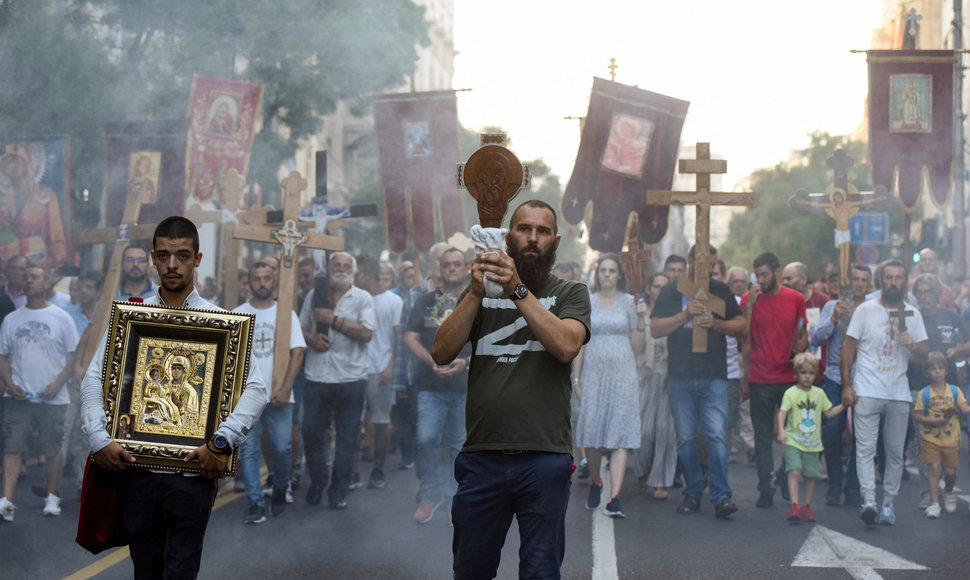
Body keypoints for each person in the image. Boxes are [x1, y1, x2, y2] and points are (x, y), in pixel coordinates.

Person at [79, 216, 268, 578]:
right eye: (164, 255)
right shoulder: (134, 317)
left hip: (193, 473)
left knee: (180, 571)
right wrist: (99, 438)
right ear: (152, 257)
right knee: (146, 570)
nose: (171, 265)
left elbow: (256, 388)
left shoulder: (220, 322)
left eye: (182, 256)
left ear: (197, 259)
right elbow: (94, 380)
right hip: (137, 469)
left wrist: (221, 442)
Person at [433, 200, 590, 579]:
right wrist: (474, 293)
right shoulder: (480, 291)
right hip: (482, 456)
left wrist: (516, 288)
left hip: (544, 457)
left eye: (542, 231)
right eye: (524, 228)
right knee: (471, 569)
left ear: (556, 241)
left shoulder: (571, 292)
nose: (532, 238)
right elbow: (441, 352)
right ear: (508, 235)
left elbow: (567, 347)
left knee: (539, 571)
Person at [652, 245, 744, 519]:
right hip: (681, 376)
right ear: (692, 261)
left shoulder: (721, 290)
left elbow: (742, 326)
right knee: (687, 438)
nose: (712, 270)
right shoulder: (673, 290)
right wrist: (685, 315)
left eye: (714, 266)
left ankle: (721, 496)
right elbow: (656, 328)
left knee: (716, 435)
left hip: (713, 375)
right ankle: (692, 491)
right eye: (706, 265)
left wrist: (715, 323)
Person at [842, 259, 928, 526]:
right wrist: (847, 385)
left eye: (898, 278)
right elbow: (848, 347)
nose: (893, 282)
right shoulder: (865, 311)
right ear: (880, 282)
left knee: (894, 452)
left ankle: (888, 503)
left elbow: (925, 354)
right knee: (866, 450)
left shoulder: (912, 313)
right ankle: (869, 500)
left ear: (905, 282)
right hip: (868, 389)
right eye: (888, 277)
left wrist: (912, 345)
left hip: (898, 393)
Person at [0, 265, 79, 521]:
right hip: (18, 396)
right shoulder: (11, 319)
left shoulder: (61, 317)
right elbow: (2, 357)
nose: (29, 280)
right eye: (26, 277)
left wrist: (58, 383)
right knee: (12, 448)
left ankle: (53, 497)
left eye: (35, 277)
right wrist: (9, 383)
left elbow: (74, 357)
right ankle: (7, 503)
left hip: (53, 398)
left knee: (52, 449)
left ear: (47, 283)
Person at [299, 251, 375, 510]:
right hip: (317, 374)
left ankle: (338, 490)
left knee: (347, 437)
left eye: (346, 266)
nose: (341, 269)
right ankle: (319, 479)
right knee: (310, 430)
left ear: (353, 271)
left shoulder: (362, 298)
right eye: (337, 265)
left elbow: (366, 334)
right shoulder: (315, 294)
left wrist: (334, 321)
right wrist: (312, 338)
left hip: (351, 377)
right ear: (329, 270)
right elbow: (301, 327)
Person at [233, 261, 306, 523]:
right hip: (247, 397)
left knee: (282, 447)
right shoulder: (238, 314)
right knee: (249, 450)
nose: (262, 283)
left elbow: (297, 352)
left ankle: (280, 487)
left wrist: (286, 388)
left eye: (266, 278)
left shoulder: (286, 314)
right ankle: (254, 503)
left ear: (273, 281)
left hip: (280, 393)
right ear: (248, 282)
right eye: (256, 279)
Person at [574, 253, 642, 518]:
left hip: (623, 373)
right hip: (593, 374)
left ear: (619, 275)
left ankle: (614, 498)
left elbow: (638, 344)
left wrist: (642, 319)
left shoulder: (629, 303)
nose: (607, 275)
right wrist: (577, 378)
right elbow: (580, 343)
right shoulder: (587, 302)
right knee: (590, 433)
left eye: (612, 270)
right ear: (597, 273)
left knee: (620, 434)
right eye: (603, 270)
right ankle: (595, 480)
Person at [405, 248, 469, 523]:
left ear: (466, 269)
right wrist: (430, 360)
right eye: (447, 265)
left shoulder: (477, 301)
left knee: (458, 445)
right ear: (439, 270)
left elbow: (488, 340)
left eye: (457, 264)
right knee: (426, 439)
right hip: (430, 386)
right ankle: (430, 494)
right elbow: (410, 337)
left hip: (465, 387)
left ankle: (454, 495)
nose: (452, 269)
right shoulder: (425, 300)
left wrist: (465, 362)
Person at [741, 251, 807, 508]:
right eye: (757, 275)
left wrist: (798, 351)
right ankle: (764, 487)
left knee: (795, 433)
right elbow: (742, 337)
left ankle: (782, 473)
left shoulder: (796, 298)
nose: (761, 279)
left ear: (777, 273)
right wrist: (749, 305)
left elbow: (803, 331)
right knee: (762, 436)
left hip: (788, 375)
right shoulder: (749, 299)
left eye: (765, 275)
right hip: (759, 377)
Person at [810, 263, 870, 507]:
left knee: (862, 435)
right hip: (835, 376)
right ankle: (835, 482)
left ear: (869, 284)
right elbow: (816, 338)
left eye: (864, 280)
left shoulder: (872, 308)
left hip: (865, 377)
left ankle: (853, 486)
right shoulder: (830, 305)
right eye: (854, 279)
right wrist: (834, 316)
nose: (858, 284)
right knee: (832, 430)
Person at [350, 255, 402, 490]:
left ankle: (378, 470)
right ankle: (352, 472)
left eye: (357, 274)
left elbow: (398, 338)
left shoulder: (393, 301)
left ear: (368, 275)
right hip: (354, 369)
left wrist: (390, 366)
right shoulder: (355, 299)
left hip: (380, 369)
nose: (354, 278)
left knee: (381, 422)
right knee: (352, 421)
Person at [776, 353, 845, 523]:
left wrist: (844, 405)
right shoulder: (790, 393)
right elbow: (782, 412)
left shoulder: (819, 393)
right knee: (794, 470)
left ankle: (807, 506)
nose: (807, 377)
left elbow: (828, 413)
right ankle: (794, 505)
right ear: (796, 374)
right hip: (794, 440)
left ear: (816, 374)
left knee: (810, 475)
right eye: (803, 373)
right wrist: (781, 431)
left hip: (813, 443)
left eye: (811, 373)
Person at [633, 272, 676, 500]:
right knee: (644, 430)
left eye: (664, 287)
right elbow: (634, 346)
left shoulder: (674, 312)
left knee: (665, 431)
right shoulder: (641, 311)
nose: (660, 291)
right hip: (645, 375)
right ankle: (641, 470)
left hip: (669, 374)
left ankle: (661, 480)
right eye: (656, 286)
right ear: (648, 289)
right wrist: (640, 320)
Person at [913, 352, 970, 518]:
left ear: (946, 371)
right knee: (934, 469)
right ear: (927, 373)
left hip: (951, 439)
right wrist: (931, 420)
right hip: (930, 438)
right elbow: (917, 416)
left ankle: (949, 491)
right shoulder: (924, 393)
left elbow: (964, 408)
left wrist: (964, 409)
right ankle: (935, 502)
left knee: (951, 473)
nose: (937, 372)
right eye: (933, 369)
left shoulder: (954, 391)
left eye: (940, 368)